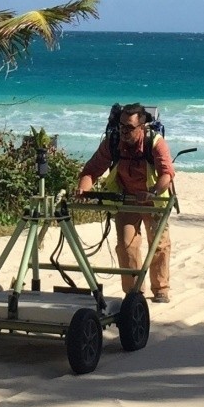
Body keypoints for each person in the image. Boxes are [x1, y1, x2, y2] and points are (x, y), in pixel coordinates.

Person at [76, 103, 176, 302]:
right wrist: (83, 188)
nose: (124, 131)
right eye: (121, 126)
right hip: (126, 198)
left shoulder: (154, 143)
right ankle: (134, 293)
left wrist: (152, 192)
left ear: (142, 127)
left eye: (129, 128)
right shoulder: (112, 142)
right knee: (126, 245)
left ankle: (161, 288)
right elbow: (91, 170)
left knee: (159, 245)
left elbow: (167, 174)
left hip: (154, 199)